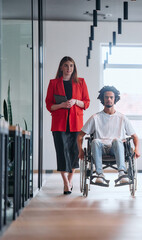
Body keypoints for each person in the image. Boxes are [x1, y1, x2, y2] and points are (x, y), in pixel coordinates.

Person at [77, 86, 140, 186]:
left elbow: (135, 136)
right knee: (95, 141)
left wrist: (136, 149)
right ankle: (99, 174)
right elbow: (80, 136)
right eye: (106, 97)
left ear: (115, 99)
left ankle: (121, 173)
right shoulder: (95, 118)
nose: (109, 99)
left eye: (111, 97)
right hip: (100, 148)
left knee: (117, 140)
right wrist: (80, 150)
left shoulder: (122, 118)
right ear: (102, 99)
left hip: (116, 148)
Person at [45, 56, 90, 195]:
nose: (68, 68)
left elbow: (86, 103)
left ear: (74, 68)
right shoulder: (53, 83)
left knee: (74, 153)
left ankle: (70, 181)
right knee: (62, 152)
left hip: (76, 124)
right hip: (59, 124)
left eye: (71, 65)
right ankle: (65, 183)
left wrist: (76, 101)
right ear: (61, 67)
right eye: (66, 65)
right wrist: (61, 105)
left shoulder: (81, 82)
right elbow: (49, 105)